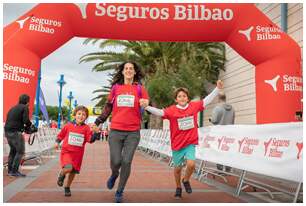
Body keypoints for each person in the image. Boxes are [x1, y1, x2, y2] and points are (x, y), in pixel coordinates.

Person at [140, 80, 223, 199]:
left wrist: (217, 89)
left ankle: (186, 180)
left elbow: (206, 101)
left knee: (191, 164)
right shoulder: (172, 110)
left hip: (190, 142)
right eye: (179, 96)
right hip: (177, 144)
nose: (182, 98)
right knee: (178, 168)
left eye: (184, 96)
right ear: (176, 99)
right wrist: (147, 107)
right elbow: (159, 112)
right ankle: (178, 187)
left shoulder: (194, 107)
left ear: (188, 98)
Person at [93, 61, 149, 203]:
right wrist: (98, 122)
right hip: (116, 131)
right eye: (126, 68)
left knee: (127, 161)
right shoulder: (116, 88)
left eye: (131, 69)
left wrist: (146, 103)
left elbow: (148, 104)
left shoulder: (140, 89)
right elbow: (108, 107)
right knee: (116, 161)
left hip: (133, 132)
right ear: (123, 72)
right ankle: (114, 174)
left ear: (135, 72)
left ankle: (120, 191)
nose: (129, 70)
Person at [55, 105, 99, 197]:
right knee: (68, 168)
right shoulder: (68, 125)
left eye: (84, 114)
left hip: (78, 155)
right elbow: (61, 135)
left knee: (73, 172)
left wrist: (96, 133)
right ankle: (62, 174)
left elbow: (89, 140)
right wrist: (57, 142)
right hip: (67, 151)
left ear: (86, 117)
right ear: (75, 115)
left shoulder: (86, 128)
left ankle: (67, 187)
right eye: (79, 114)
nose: (81, 116)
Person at [4, 94, 36, 177]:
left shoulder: (13, 108)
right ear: (27, 101)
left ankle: (10, 171)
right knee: (20, 151)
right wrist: (31, 126)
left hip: (7, 131)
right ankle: (14, 171)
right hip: (16, 132)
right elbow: (25, 120)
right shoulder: (24, 107)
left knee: (13, 151)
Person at [209, 92, 235, 173]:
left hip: (219, 134)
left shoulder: (217, 108)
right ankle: (228, 169)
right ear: (225, 98)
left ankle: (220, 170)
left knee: (219, 151)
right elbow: (233, 120)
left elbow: (214, 120)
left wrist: (210, 119)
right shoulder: (232, 109)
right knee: (227, 151)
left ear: (219, 98)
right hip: (229, 133)